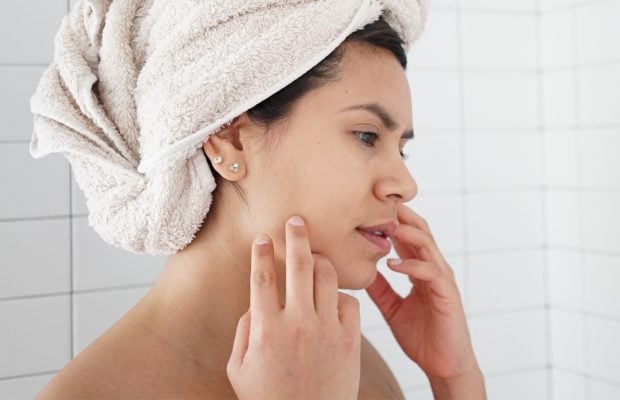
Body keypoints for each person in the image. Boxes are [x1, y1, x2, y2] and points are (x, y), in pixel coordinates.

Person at [33, 4, 486, 400]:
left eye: (400, 148)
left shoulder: (332, 353)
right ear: (230, 141)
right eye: (367, 136)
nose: (405, 185)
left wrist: (454, 377)